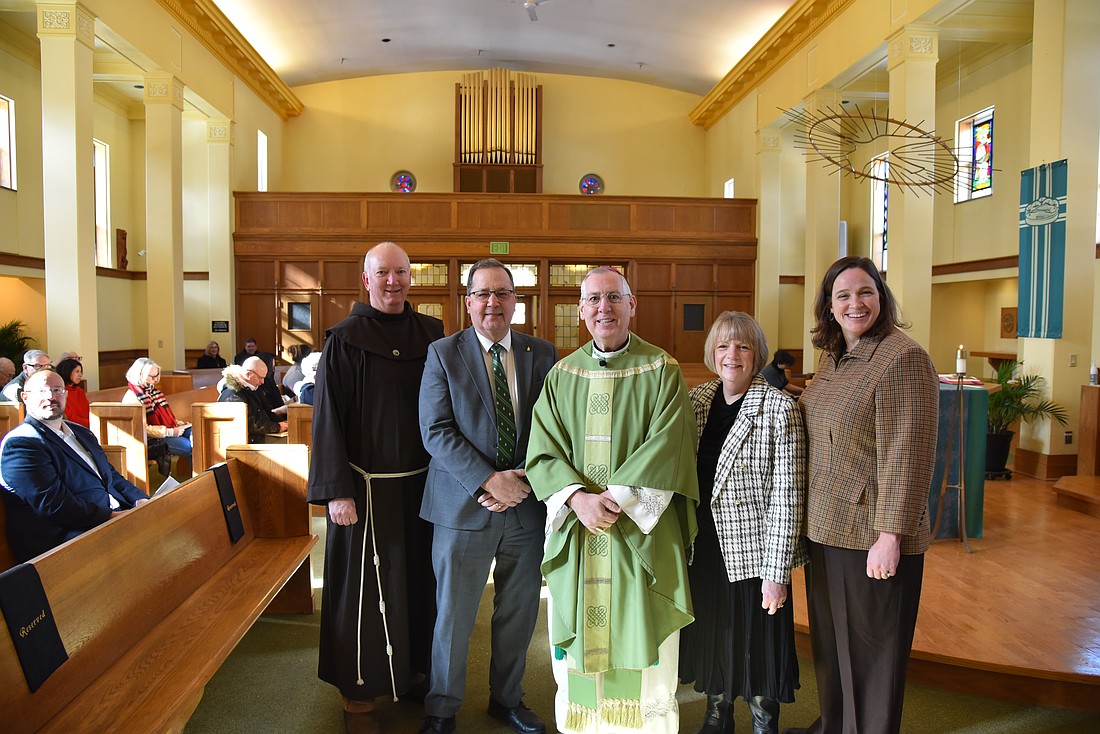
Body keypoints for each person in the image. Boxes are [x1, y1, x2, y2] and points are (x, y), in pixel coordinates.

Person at [526, 266, 699, 734]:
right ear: (581, 310)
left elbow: (671, 445)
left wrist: (617, 499)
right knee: (581, 656)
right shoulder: (562, 375)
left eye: (614, 298)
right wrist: (577, 498)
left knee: (644, 658)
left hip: (639, 534)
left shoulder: (662, 370)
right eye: (594, 300)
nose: (604, 308)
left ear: (631, 304)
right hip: (580, 534)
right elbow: (542, 449)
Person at [788, 256, 938, 734]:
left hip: (871, 535)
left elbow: (907, 453)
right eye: (843, 295)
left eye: (865, 292)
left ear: (881, 296)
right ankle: (834, 725)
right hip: (827, 528)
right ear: (829, 307)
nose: (855, 303)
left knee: (873, 658)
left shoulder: (900, 358)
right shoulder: (834, 360)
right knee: (832, 646)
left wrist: (890, 535)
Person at [306, 241, 444, 734]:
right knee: (366, 591)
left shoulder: (433, 333)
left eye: (402, 272)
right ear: (366, 280)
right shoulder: (344, 340)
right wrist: (336, 490)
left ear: (412, 278)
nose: (393, 281)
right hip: (363, 492)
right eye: (383, 272)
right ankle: (361, 688)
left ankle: (413, 672)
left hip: (424, 488)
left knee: (420, 582)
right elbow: (327, 421)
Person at [417, 259, 557, 734]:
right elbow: (435, 431)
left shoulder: (542, 353)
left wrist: (522, 481)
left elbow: (554, 429)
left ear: (515, 301)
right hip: (461, 506)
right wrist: (488, 480)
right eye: (483, 294)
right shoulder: (443, 353)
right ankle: (442, 708)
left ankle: (508, 698)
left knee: (519, 613)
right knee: (453, 616)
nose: (492, 303)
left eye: (502, 293)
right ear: (469, 301)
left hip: (526, 506)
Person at [678, 312, 807, 734]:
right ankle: (717, 714)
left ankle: (762, 721)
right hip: (706, 549)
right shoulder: (696, 401)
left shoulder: (779, 408)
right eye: (723, 346)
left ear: (757, 355)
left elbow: (788, 497)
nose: (731, 355)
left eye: (743, 346)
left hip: (755, 554)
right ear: (712, 353)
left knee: (758, 643)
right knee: (715, 632)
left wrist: (777, 573)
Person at [0, 369, 148, 562]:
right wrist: (112, 517)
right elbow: (55, 506)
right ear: (25, 397)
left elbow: (111, 477)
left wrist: (141, 501)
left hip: (107, 519)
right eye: (42, 391)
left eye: (57, 390)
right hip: (63, 538)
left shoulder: (81, 433)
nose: (51, 396)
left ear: (66, 394)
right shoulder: (21, 444)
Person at [123, 357, 193, 476]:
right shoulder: (133, 397)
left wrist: (180, 424)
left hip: (166, 431)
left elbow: (166, 417)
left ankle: (199, 478)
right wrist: (171, 432)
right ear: (140, 375)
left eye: (157, 376)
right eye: (152, 377)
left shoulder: (153, 393)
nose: (156, 380)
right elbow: (142, 428)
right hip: (151, 439)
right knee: (191, 447)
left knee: (196, 434)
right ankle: (198, 481)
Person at [217, 357, 287, 443]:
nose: (262, 382)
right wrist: (276, 427)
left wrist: (280, 423)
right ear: (248, 374)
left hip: (257, 436)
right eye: (260, 378)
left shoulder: (251, 388)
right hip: (244, 442)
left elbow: (265, 412)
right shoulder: (233, 395)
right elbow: (248, 423)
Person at [55, 357, 90, 428]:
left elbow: (87, 412)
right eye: (77, 371)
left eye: (80, 372)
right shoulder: (60, 392)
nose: (80, 375)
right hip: (73, 427)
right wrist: (91, 423)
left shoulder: (80, 391)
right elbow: (69, 417)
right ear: (67, 372)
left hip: (87, 425)